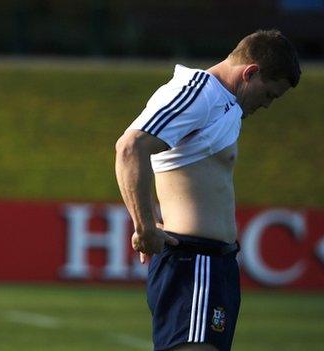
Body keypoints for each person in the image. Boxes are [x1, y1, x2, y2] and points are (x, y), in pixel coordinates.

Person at [115, 29, 300, 351]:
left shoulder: (225, 104)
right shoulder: (199, 92)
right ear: (251, 72)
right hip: (194, 261)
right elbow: (130, 147)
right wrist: (144, 228)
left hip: (215, 265)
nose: (267, 105)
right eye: (269, 94)